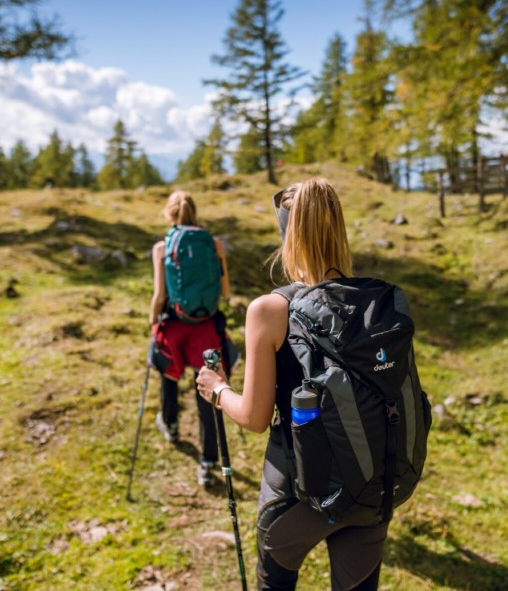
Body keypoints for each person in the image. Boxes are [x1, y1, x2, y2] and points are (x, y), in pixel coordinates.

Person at [196, 178, 386, 591]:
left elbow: (255, 416)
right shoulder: (377, 304)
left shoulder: (269, 309)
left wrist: (217, 389)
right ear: (338, 227)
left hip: (297, 492)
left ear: (288, 235)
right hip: (372, 490)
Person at [150, 190, 230, 487]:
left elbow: (160, 296)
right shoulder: (214, 244)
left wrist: (151, 320)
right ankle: (208, 462)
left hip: (174, 325)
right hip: (206, 328)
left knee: (168, 375)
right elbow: (225, 291)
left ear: (169, 214)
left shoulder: (163, 247)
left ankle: (170, 425)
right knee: (207, 388)